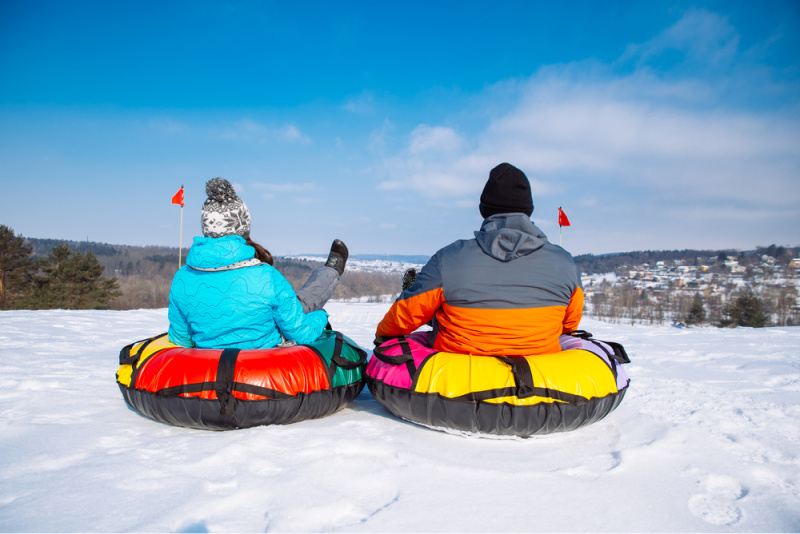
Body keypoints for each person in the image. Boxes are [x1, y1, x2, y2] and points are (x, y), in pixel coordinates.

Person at [375, 163, 583, 356]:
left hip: (458, 365)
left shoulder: (448, 258)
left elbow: (405, 315)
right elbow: (569, 324)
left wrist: (383, 335)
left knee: (439, 307)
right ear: (528, 212)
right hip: (539, 364)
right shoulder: (565, 263)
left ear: (484, 210)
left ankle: (432, 307)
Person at [168, 177, 348, 349]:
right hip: (264, 368)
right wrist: (321, 317)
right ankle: (331, 271)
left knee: (292, 302)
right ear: (243, 226)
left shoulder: (182, 278)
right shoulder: (267, 277)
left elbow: (181, 339)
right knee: (305, 302)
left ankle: (329, 271)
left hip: (209, 371)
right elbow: (302, 334)